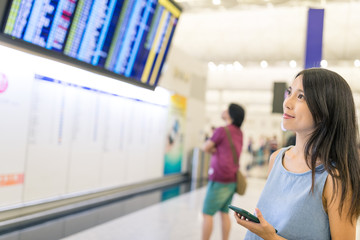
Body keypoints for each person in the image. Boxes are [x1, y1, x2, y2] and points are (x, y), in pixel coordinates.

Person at [233, 68, 360, 239]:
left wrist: (271, 237)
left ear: (325, 111)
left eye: (301, 96)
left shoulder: (334, 178)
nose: (287, 103)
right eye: (290, 92)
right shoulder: (277, 158)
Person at [201, 103, 245, 240]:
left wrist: (215, 151)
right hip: (232, 178)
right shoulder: (239, 133)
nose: (223, 111)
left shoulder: (222, 130)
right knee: (224, 212)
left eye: (226, 109)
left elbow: (205, 147)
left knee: (207, 213)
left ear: (231, 114)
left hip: (219, 178)